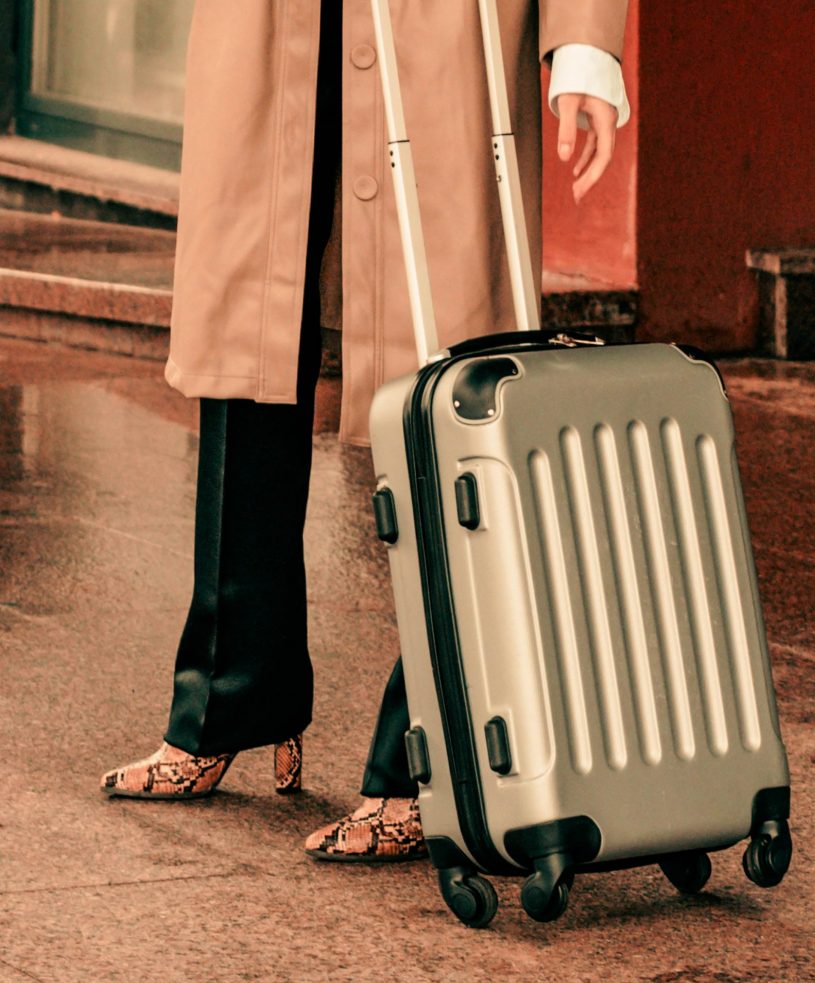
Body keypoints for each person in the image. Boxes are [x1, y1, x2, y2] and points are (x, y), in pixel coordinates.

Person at [101, 0, 630, 862]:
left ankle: (427, 762)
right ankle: (229, 701)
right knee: (248, 345)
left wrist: (583, 44)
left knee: (441, 371)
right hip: (268, 29)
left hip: (445, 35)